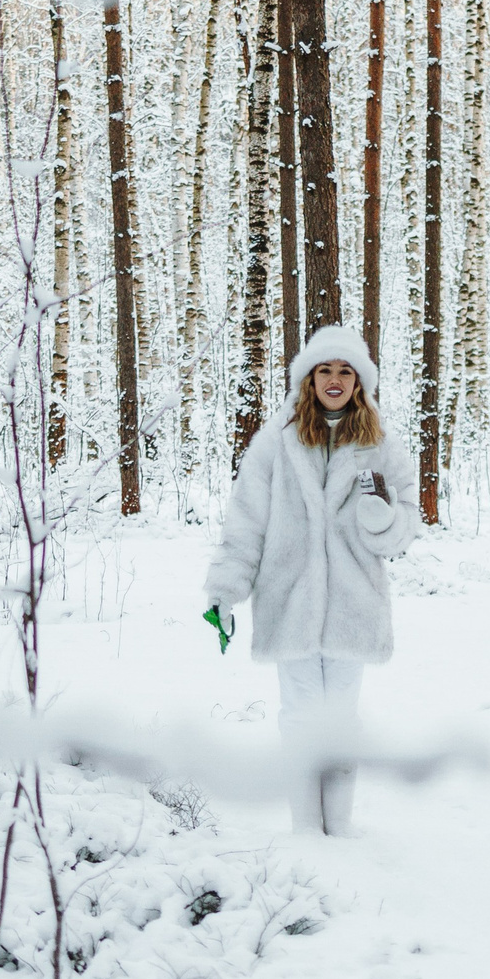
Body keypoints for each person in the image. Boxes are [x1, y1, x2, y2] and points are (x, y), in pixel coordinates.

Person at [205, 323, 418, 835]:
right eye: (325, 369)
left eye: (346, 371)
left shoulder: (380, 444)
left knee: (341, 723)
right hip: (289, 602)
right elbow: (246, 519)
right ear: (308, 378)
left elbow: (407, 523)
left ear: (359, 382)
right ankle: (306, 832)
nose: (335, 379)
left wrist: (383, 520)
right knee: (300, 719)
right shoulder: (274, 444)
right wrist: (225, 591)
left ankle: (339, 831)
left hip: (352, 606)